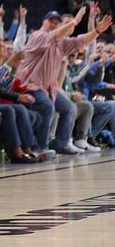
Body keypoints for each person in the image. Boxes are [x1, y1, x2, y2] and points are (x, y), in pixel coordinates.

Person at [17, 8, 112, 156]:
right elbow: (55, 35)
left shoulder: (61, 43)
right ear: (44, 22)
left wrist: (97, 31)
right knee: (47, 106)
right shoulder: (37, 36)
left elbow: (80, 40)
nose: (54, 24)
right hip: (29, 86)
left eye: (57, 22)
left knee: (69, 108)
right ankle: (40, 148)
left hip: (49, 89)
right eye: (51, 21)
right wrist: (74, 22)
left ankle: (61, 143)